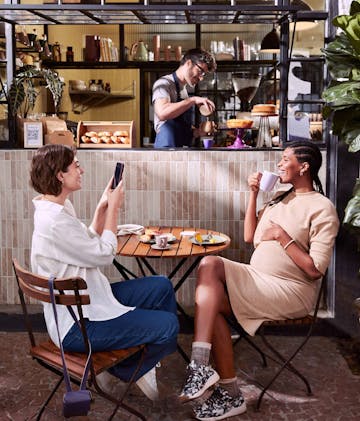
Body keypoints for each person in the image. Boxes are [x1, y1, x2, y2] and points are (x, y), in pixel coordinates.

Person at [179, 140, 339, 420]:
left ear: (304, 167)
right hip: (258, 281)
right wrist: (253, 194)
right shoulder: (278, 199)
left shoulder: (322, 208)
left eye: (285, 159)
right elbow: (249, 237)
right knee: (209, 275)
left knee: (211, 269)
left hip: (290, 290)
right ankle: (220, 386)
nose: (279, 164)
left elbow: (315, 270)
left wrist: (282, 237)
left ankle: (203, 372)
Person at [30, 144, 179, 400]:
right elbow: (104, 254)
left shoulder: (56, 209)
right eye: (76, 166)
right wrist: (114, 209)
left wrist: (101, 209)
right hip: (78, 326)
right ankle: (128, 369)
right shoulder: (54, 221)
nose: (81, 170)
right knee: (169, 326)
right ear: (59, 176)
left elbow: (85, 243)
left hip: (91, 302)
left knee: (161, 286)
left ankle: (137, 366)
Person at [152, 47, 217, 148]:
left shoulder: (184, 91)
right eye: (200, 71)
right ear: (188, 63)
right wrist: (193, 100)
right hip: (165, 151)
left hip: (180, 151)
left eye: (204, 74)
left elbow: (180, 129)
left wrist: (198, 132)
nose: (201, 78)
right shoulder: (164, 83)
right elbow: (162, 113)